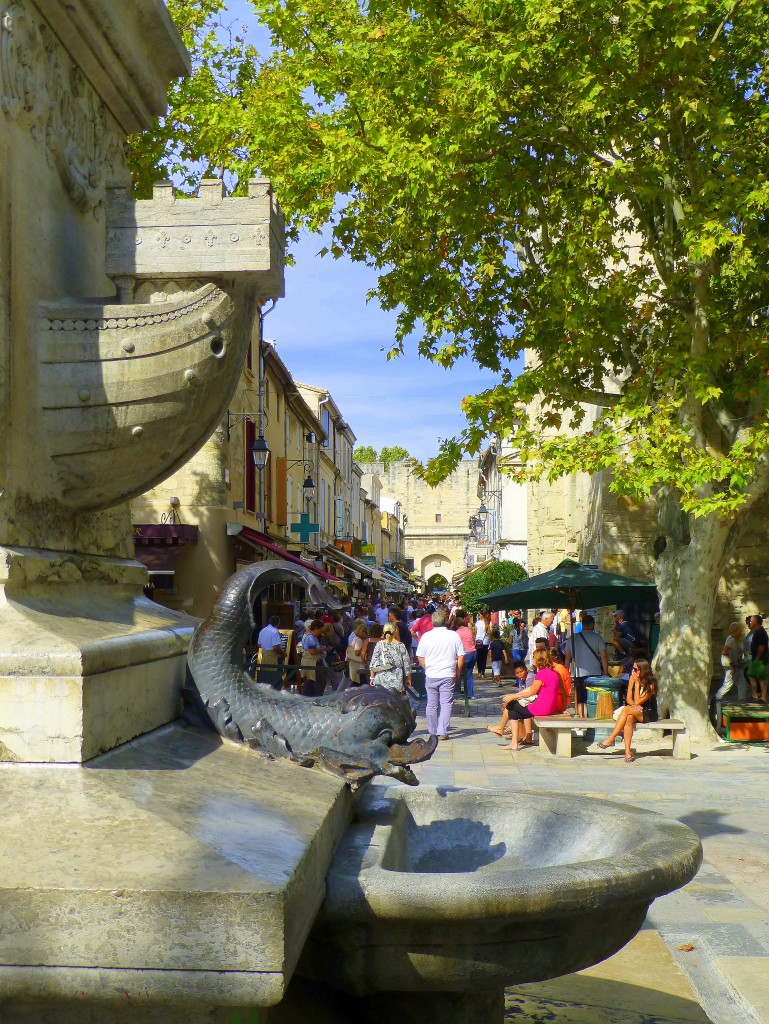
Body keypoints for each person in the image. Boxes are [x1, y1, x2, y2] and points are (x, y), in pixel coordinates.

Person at [416, 608, 465, 741]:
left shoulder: (426, 636)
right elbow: (461, 656)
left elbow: (420, 657)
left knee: (431, 704)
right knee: (446, 703)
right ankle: (442, 730)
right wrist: (458, 671)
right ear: (445, 621)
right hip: (448, 673)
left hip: (432, 673)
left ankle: (432, 730)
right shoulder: (453, 635)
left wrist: (427, 668)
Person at [598, 659, 658, 762]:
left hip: (648, 712)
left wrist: (637, 684)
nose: (633, 672)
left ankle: (611, 738)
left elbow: (639, 700)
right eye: (633, 669)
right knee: (629, 718)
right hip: (635, 710)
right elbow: (629, 699)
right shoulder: (632, 679)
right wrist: (634, 705)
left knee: (626, 710)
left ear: (642, 670)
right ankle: (627, 753)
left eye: (635, 669)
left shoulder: (651, 684)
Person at [504, 649, 563, 751]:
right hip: (551, 708)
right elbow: (562, 691)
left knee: (511, 705)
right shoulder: (554, 673)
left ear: (539, 660)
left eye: (534, 657)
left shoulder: (542, 674)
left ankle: (513, 741)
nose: (533, 660)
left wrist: (512, 697)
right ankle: (515, 742)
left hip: (541, 708)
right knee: (513, 712)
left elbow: (531, 691)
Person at [564, 614, 609, 718]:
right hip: (595, 672)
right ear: (592, 624)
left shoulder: (573, 638)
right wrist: (606, 672)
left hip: (578, 672)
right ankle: (592, 718)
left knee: (581, 699)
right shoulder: (597, 638)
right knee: (593, 698)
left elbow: (567, 657)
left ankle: (582, 720)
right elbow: (604, 656)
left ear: (582, 624)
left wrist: (566, 672)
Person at [486, 660, 535, 737]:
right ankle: (509, 729)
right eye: (517, 673)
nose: (520, 674)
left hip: (534, 702)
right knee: (511, 706)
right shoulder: (521, 680)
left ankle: (502, 728)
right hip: (527, 701)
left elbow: (526, 694)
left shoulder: (530, 678)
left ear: (526, 669)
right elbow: (520, 694)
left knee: (510, 706)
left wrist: (510, 700)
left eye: (521, 671)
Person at [368, 623, 413, 694]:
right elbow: (406, 664)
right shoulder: (400, 645)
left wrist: (372, 678)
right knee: (396, 702)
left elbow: (373, 662)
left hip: (381, 678)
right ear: (395, 631)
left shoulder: (379, 644)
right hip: (396, 678)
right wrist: (408, 679)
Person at [712, 622, 746, 716]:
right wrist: (731, 662)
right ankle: (716, 699)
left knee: (737, 683)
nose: (741, 632)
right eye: (740, 630)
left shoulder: (732, 639)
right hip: (732, 667)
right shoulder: (731, 640)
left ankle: (741, 701)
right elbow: (724, 651)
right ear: (736, 630)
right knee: (731, 684)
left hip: (734, 666)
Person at [300, 619, 327, 697]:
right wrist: (322, 649)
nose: (322, 631)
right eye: (321, 629)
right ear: (316, 629)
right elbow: (312, 651)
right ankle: (316, 698)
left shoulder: (313, 637)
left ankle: (308, 698)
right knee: (320, 681)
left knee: (309, 682)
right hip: (311, 663)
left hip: (312, 662)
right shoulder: (310, 638)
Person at [453, 614, 477, 697]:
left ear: (457, 624)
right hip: (473, 652)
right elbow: (473, 640)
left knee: (459, 672)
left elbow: (456, 645)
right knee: (469, 674)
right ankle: (470, 694)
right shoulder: (469, 629)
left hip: (466, 653)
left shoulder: (457, 632)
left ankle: (458, 692)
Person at [474, 612, 491, 677]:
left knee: (479, 657)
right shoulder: (489, 623)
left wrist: (475, 640)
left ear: (481, 615)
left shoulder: (477, 623)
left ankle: (479, 672)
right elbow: (491, 633)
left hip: (478, 642)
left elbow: (475, 633)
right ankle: (483, 673)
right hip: (486, 642)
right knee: (484, 658)